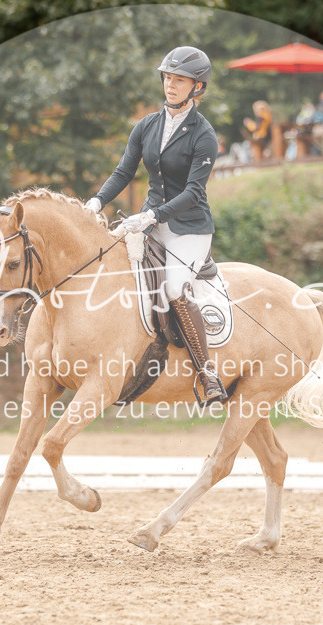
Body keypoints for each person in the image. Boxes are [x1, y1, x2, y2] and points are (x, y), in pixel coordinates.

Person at [84, 45, 224, 402]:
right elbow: (123, 172)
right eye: (167, 78)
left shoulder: (203, 134)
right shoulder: (147, 125)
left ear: (198, 87)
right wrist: (97, 201)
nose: (170, 85)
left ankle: (208, 375)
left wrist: (152, 215)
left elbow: (193, 192)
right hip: (148, 222)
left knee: (175, 288)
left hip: (188, 228)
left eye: (180, 80)